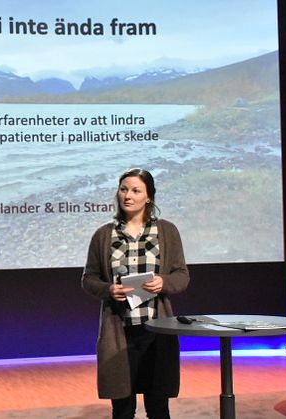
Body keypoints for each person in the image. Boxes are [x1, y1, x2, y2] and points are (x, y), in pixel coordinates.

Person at [81, 168, 189, 419]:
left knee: (158, 406)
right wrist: (109, 289)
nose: (127, 195)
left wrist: (163, 282)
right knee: (122, 408)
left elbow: (182, 276)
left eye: (135, 190)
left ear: (148, 197)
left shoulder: (166, 231)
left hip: (156, 330)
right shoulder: (104, 234)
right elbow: (88, 279)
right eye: (123, 189)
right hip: (120, 331)